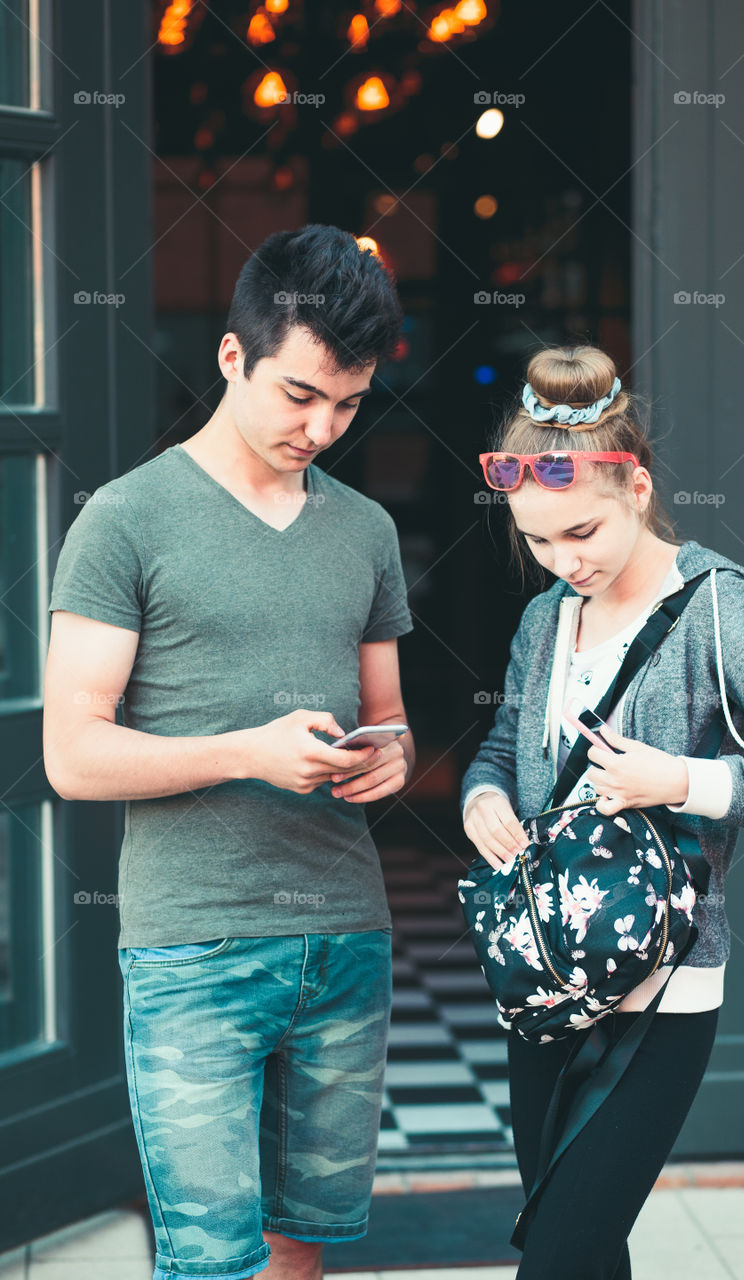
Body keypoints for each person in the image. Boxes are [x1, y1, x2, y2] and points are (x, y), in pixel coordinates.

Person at [43, 225, 415, 1280]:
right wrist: (249, 750)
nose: (324, 426)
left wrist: (387, 758)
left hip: (346, 934)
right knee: (209, 1262)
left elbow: (388, 714)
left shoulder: (367, 531)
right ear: (230, 355)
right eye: (299, 394)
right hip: (193, 947)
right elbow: (73, 754)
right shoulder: (124, 520)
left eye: (347, 402)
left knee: (305, 1251)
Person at [460, 343, 744, 1280]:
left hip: (663, 985)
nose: (563, 561)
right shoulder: (544, 618)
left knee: (554, 1256)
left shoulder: (717, 607)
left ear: (635, 486)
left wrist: (679, 780)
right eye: (539, 541)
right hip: (548, 977)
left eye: (583, 533)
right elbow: (505, 743)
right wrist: (480, 793)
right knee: (587, 1252)